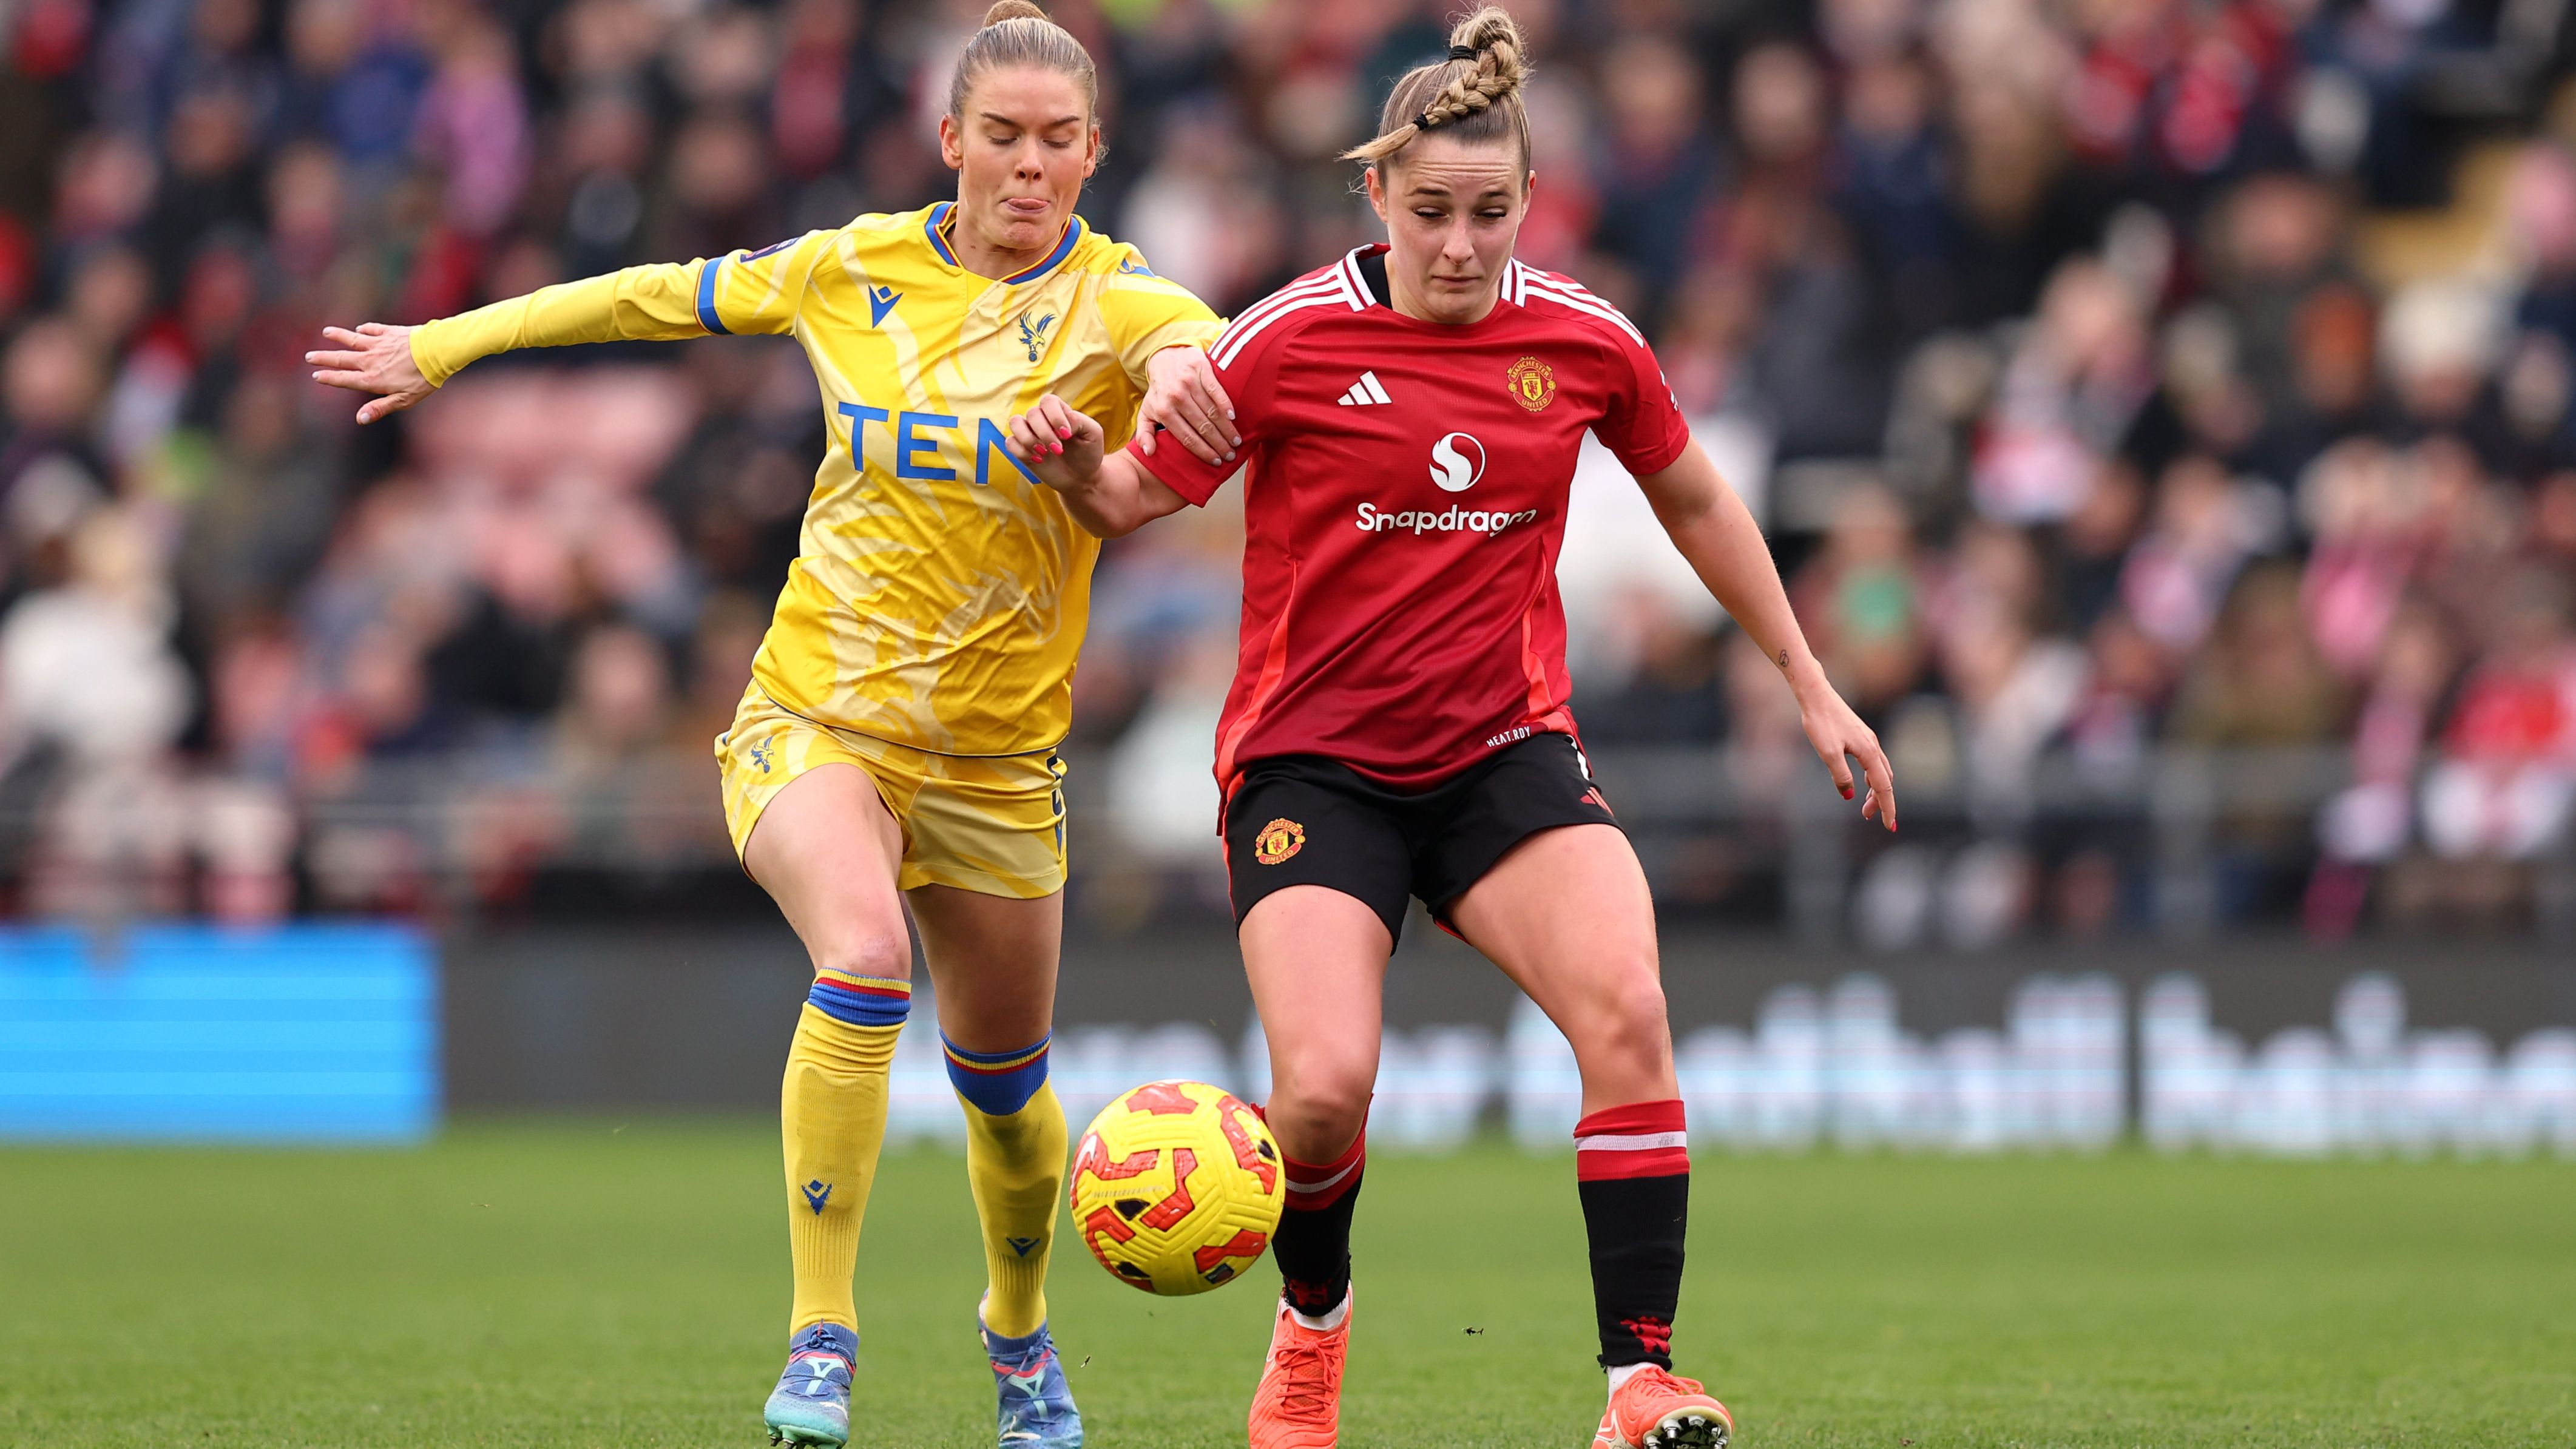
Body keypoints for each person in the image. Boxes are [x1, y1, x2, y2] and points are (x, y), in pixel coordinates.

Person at [308, 6, 1238, 1447]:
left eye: (1059, 142)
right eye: (1002, 136)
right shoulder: (848, 267)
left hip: (995, 764)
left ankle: (1015, 1332)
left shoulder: (1116, 305)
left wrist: (1186, 375)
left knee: (1005, 1098)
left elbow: (1196, 343)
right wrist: (449, 343)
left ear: (1095, 153)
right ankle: (822, 1338)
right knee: (862, 959)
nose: (1030, 166)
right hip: (817, 718)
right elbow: (649, 299)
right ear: (951, 142)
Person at [1001, 10, 1894, 1448]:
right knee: (1323, 1091)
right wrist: (1077, 463)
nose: (1462, 245)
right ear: (1376, 199)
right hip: (1312, 768)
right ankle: (1310, 1331)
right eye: (1430, 214)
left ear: (1527, 201)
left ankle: (1638, 1383)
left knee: (1628, 1011)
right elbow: (1126, 504)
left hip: (1503, 760)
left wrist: (1806, 678)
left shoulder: (1583, 338)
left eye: (1489, 212)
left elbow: (1694, 499)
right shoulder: (1285, 341)